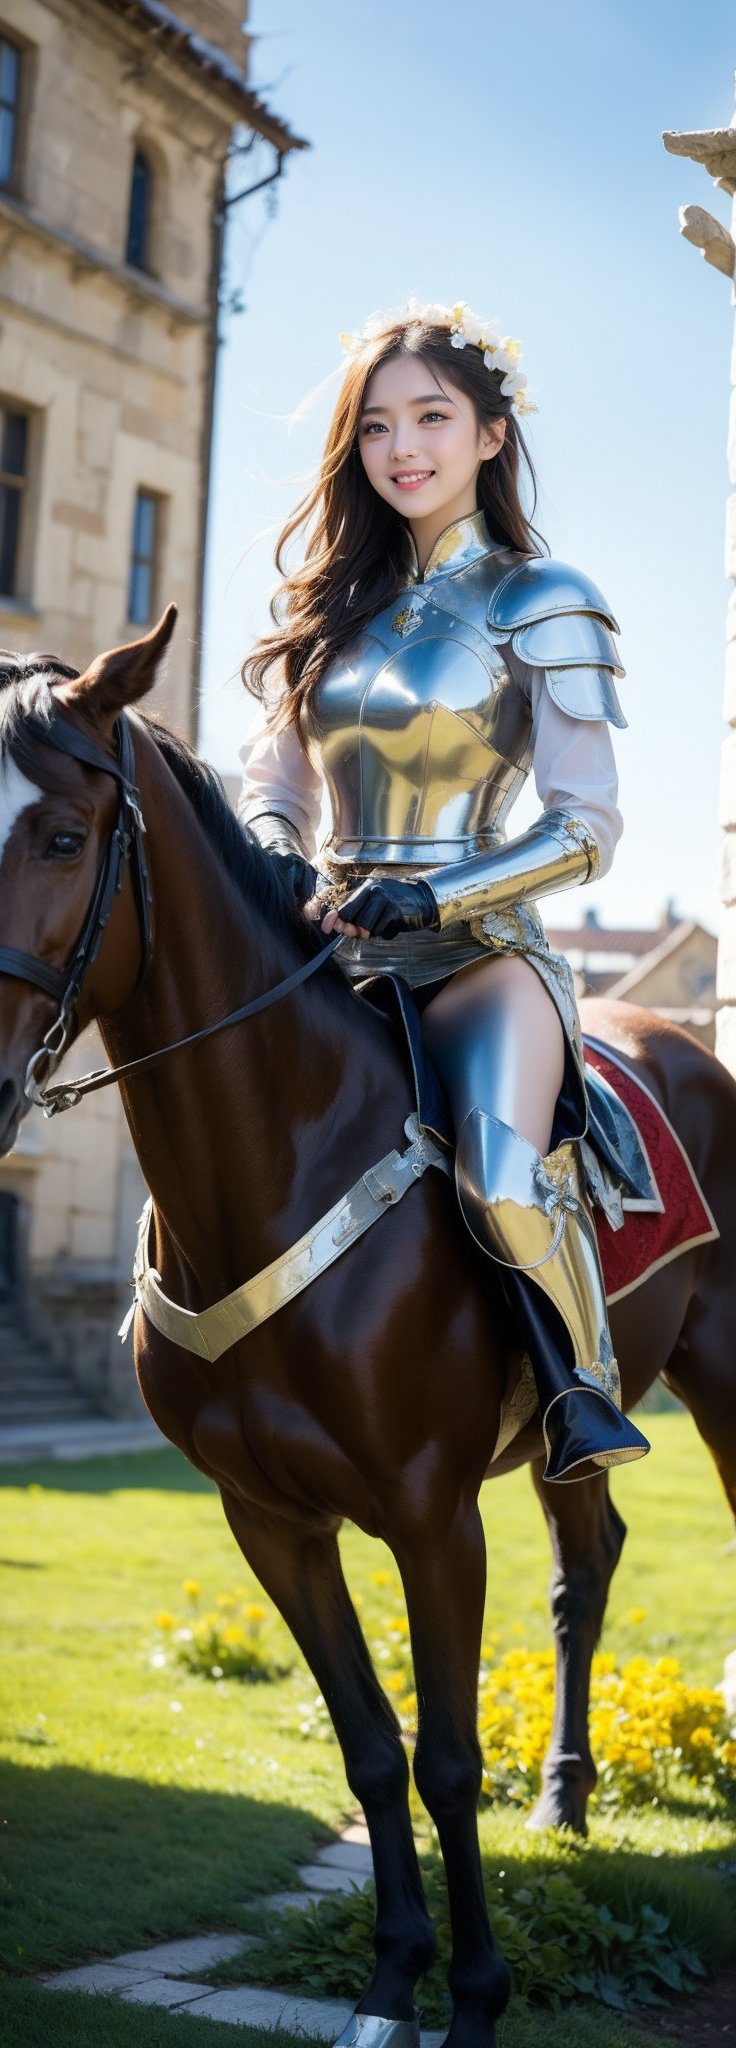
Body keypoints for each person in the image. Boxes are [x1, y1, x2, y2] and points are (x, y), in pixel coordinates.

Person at [238, 298, 649, 1483]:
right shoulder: (330, 606)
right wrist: (272, 846)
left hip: (477, 960)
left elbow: (588, 826)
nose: (402, 447)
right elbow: (272, 773)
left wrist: (439, 897)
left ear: (489, 434)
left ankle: (581, 1389)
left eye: (431, 416)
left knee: (499, 1167)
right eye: (375, 426)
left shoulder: (543, 596)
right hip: (322, 939)